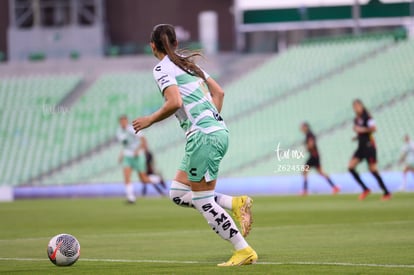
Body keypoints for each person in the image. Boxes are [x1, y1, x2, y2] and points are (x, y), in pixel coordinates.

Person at [132, 24, 257, 266]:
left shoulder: (162, 68)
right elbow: (219, 93)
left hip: (204, 136)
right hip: (213, 132)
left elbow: (174, 102)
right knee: (178, 193)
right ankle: (235, 203)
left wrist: (149, 120)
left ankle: (243, 250)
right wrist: (209, 122)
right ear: (176, 43)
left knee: (202, 201)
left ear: (152, 46)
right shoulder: (190, 66)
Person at [348, 99, 391, 200]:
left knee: (372, 169)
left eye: (357, 106)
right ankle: (365, 189)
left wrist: (361, 130)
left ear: (362, 106)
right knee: (350, 167)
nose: (356, 108)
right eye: (354, 107)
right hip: (361, 146)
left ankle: (386, 192)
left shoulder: (367, 117)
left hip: (369, 146)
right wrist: (357, 137)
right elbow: (362, 133)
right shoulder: (356, 119)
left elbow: (373, 128)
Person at [117, 115, 164, 203]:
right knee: (126, 177)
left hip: (138, 156)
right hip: (127, 156)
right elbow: (125, 145)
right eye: (121, 121)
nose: (123, 123)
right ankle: (131, 198)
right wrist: (121, 154)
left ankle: (158, 179)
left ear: (127, 121)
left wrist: (138, 150)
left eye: (124, 121)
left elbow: (143, 140)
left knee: (143, 179)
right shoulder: (119, 132)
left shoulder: (132, 129)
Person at [300, 122, 340, 196]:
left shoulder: (309, 134)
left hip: (314, 156)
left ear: (306, 127)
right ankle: (335, 187)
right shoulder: (309, 134)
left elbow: (311, 145)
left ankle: (305, 190)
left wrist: (306, 149)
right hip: (315, 156)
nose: (301, 129)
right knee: (320, 172)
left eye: (302, 127)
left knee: (305, 172)